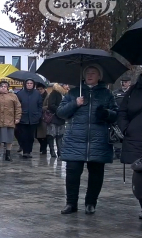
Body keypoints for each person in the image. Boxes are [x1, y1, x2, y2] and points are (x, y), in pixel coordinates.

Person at [57, 64, 118, 215]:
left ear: (99, 76)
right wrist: (75, 104)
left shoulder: (107, 94)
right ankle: (71, 203)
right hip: (75, 139)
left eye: (93, 73)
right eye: (87, 73)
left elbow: (116, 114)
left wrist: (106, 113)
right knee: (72, 173)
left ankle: (91, 203)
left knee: (96, 174)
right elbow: (61, 113)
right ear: (83, 76)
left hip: (99, 139)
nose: (90, 75)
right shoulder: (73, 93)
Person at [117, 74, 142, 219]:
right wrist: (126, 128)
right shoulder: (133, 90)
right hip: (136, 139)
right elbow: (122, 112)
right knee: (139, 176)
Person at [0, 81, 21, 162]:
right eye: (1, 86)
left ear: (8, 88)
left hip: (9, 121)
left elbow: (18, 108)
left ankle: (8, 155)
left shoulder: (13, 96)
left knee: (9, 139)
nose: (3, 87)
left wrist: (17, 118)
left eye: (5, 86)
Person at [16, 79, 43, 159]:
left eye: (31, 83)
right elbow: (17, 106)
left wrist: (38, 115)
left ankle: (28, 151)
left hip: (33, 118)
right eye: (28, 83)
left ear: (33, 84)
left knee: (31, 137)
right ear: (25, 84)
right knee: (23, 135)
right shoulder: (20, 94)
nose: (29, 84)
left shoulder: (37, 94)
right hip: (23, 118)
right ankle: (24, 151)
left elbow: (40, 105)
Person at [46, 83, 68, 158]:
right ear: (61, 86)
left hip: (61, 118)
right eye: (66, 85)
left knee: (60, 135)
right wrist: (60, 110)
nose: (67, 86)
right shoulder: (54, 93)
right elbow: (51, 105)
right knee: (51, 135)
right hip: (53, 117)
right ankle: (52, 151)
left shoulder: (64, 94)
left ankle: (60, 151)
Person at [113, 77, 131, 160]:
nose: (123, 84)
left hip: (129, 117)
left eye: (125, 82)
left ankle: (127, 151)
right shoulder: (116, 93)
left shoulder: (132, 93)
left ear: (129, 83)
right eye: (122, 82)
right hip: (118, 116)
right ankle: (117, 152)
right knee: (117, 134)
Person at [36, 83, 49, 155]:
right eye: (38, 89)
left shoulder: (47, 96)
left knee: (43, 135)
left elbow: (48, 105)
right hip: (37, 117)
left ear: (44, 89)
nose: (39, 90)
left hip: (45, 117)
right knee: (37, 135)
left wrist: (41, 109)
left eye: (41, 89)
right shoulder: (36, 96)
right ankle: (43, 147)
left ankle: (44, 148)